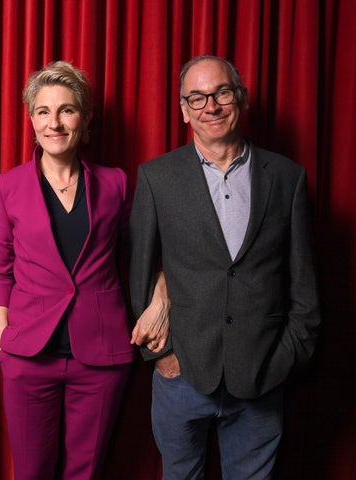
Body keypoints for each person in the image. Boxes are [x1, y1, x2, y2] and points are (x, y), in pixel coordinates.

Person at [129, 55, 321, 479]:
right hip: (181, 376)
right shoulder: (156, 178)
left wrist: (284, 359)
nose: (210, 106)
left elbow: (303, 284)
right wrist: (161, 356)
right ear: (183, 110)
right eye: (196, 98)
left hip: (262, 376)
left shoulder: (287, 178)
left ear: (241, 98)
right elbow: (140, 274)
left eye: (221, 93)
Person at [0, 60, 168, 480]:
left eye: (66, 110)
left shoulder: (116, 183)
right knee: (31, 471)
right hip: (28, 354)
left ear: (84, 119)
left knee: (85, 473)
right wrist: (1, 335)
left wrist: (162, 295)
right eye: (44, 111)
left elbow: (146, 253)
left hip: (100, 354)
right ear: (31, 118)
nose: (55, 122)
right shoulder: (6, 187)